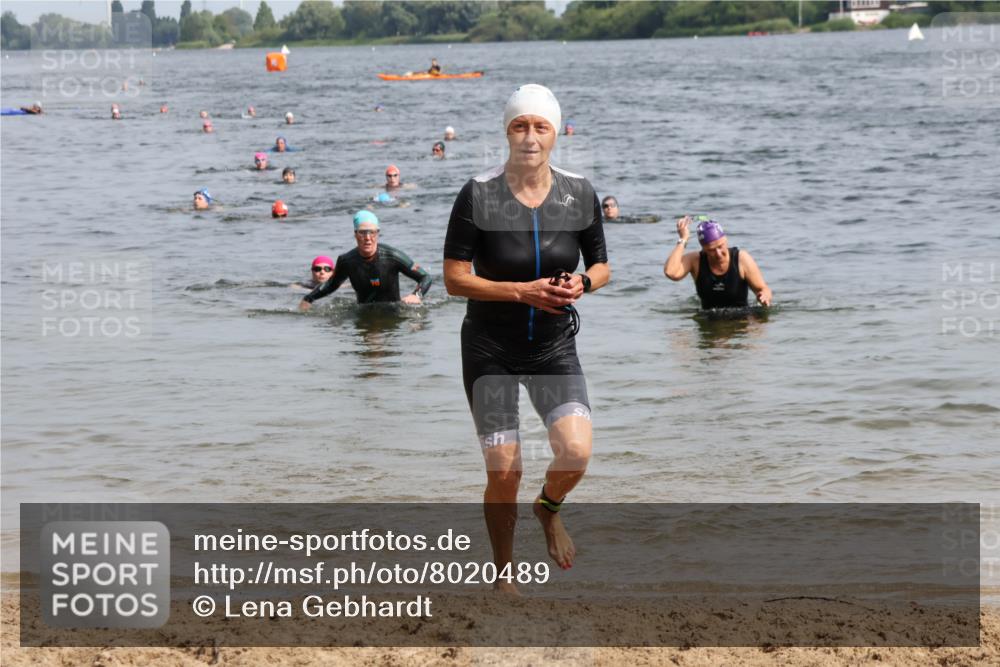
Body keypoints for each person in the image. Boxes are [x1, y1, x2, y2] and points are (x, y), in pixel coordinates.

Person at [443, 84, 610, 585]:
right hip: (489, 347)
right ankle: (504, 575)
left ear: (555, 133)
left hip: (553, 344)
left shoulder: (579, 193)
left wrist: (581, 281)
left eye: (540, 126)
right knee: (504, 471)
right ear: (506, 132)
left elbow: (601, 266)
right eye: (520, 126)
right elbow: (454, 278)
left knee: (576, 452)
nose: (530, 137)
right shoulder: (478, 193)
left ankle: (548, 507)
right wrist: (522, 291)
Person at [299, 211, 432, 308]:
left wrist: (416, 295)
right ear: (355, 234)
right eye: (362, 232)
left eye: (372, 232)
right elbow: (331, 285)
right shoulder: (347, 261)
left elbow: (425, 277)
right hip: (364, 313)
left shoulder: (392, 256)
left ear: (377, 233)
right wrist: (308, 299)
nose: (368, 238)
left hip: (393, 312)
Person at [663, 216, 772, 308]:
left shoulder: (741, 259)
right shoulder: (696, 260)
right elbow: (671, 272)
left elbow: (763, 289)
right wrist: (683, 239)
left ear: (726, 240)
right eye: (711, 250)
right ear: (703, 249)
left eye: (720, 246)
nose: (718, 253)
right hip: (709, 323)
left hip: (740, 323)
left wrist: (764, 296)